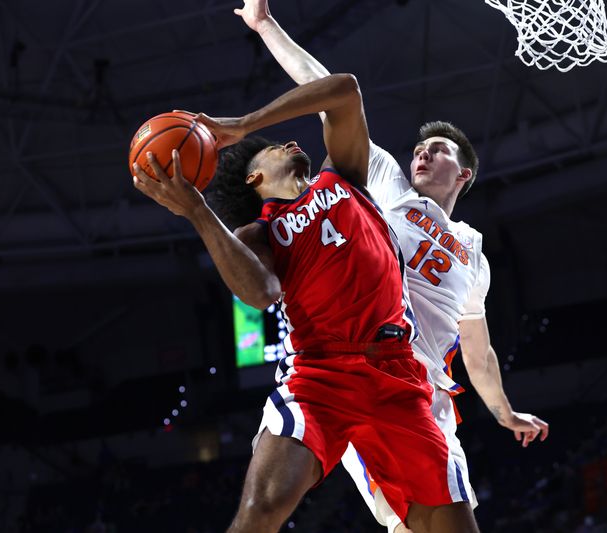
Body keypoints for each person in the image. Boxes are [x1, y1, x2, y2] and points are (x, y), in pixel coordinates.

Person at [233, 1, 550, 531]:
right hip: (364, 370)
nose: (422, 154)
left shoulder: (474, 252)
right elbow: (324, 89)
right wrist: (266, 24)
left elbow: (478, 350)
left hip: (428, 393)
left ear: (464, 174)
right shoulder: (385, 185)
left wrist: (503, 412)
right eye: (419, 148)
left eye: (438, 149)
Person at [132, 74, 479, 532]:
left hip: (396, 372)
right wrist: (198, 211)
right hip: (321, 374)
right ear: (255, 177)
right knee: (262, 508)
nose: (290, 142)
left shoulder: (343, 175)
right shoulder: (258, 234)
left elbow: (345, 90)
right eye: (274, 149)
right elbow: (261, 293)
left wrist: (244, 123)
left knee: (453, 524)